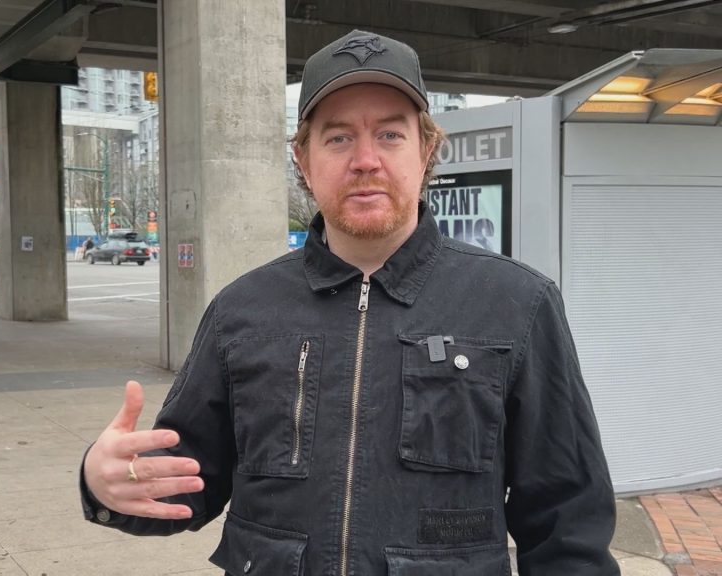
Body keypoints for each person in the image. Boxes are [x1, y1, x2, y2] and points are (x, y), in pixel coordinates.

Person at [79, 30, 619, 575]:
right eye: (338, 138)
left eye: (389, 134)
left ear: (426, 149)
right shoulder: (239, 312)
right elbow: (185, 481)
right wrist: (106, 484)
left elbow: (567, 519)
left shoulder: (518, 304)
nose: (365, 160)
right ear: (303, 159)